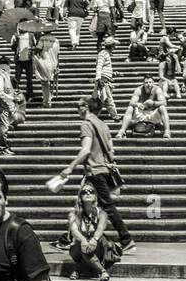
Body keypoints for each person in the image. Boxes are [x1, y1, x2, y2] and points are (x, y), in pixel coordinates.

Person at [54, 96, 135, 255]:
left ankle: (126, 239)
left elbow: (85, 149)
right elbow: (111, 151)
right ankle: (67, 238)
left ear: (86, 107)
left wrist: (70, 167)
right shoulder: (103, 125)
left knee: (105, 206)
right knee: (85, 205)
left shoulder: (86, 124)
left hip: (94, 172)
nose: (77, 109)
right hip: (102, 170)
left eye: (78, 106)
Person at [67, 181, 112, 280]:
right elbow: (74, 231)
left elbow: (100, 228)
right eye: (84, 192)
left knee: (100, 239)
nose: (88, 193)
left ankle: (77, 270)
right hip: (78, 249)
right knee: (81, 242)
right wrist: (83, 240)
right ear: (80, 197)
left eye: (91, 191)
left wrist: (94, 239)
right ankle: (102, 271)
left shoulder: (102, 213)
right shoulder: (73, 214)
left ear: (95, 196)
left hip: (97, 248)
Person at [33, 27, 60, 107]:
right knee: (50, 81)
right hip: (54, 62)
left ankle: (47, 101)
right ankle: (49, 99)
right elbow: (58, 53)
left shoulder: (42, 39)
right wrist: (58, 65)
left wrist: (33, 50)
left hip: (45, 62)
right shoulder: (56, 40)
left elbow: (38, 49)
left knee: (44, 82)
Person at [94, 38, 119, 120]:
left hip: (105, 79)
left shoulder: (106, 54)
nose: (114, 48)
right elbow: (99, 66)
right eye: (114, 46)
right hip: (103, 80)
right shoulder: (103, 54)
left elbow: (105, 68)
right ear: (111, 46)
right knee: (108, 99)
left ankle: (93, 115)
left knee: (101, 100)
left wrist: (113, 73)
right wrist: (98, 78)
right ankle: (115, 115)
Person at [13, 24, 36, 103]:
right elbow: (12, 48)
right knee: (17, 79)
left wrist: (31, 49)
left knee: (29, 79)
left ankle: (30, 95)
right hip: (19, 60)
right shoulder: (16, 36)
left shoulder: (31, 35)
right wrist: (16, 40)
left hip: (28, 60)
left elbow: (35, 46)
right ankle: (16, 96)